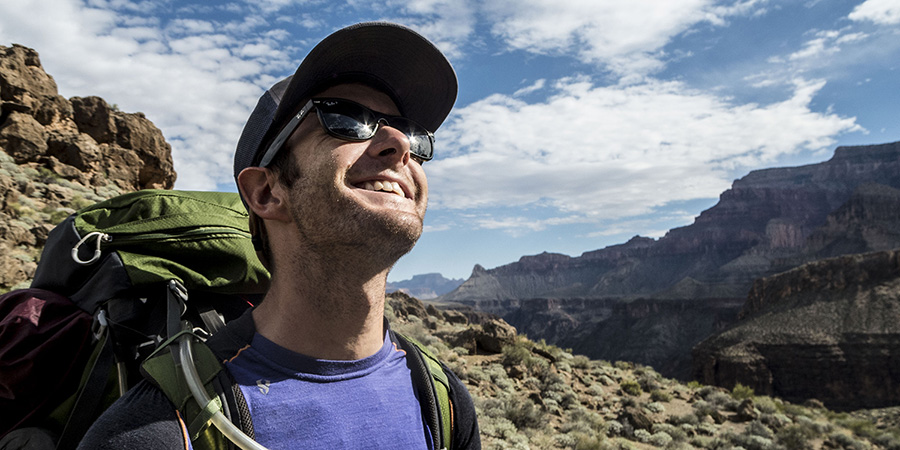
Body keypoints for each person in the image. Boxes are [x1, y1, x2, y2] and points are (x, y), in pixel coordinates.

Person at [78, 22, 480, 449]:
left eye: (411, 132)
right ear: (267, 192)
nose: (400, 143)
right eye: (345, 118)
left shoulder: (442, 400)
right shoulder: (155, 431)